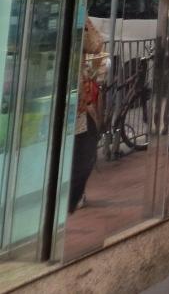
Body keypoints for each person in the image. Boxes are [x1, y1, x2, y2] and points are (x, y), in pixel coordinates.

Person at [70, 19, 109, 211]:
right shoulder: (78, 18)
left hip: (75, 102)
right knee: (85, 151)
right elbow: (95, 43)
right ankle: (70, 199)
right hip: (75, 103)